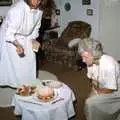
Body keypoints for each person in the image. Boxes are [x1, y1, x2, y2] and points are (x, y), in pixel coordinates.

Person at [68, 38, 120, 120]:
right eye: (82, 56)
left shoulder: (109, 65)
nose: (83, 60)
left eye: (86, 57)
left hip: (116, 90)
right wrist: (93, 90)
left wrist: (97, 92)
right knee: (89, 100)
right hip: (102, 86)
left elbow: (110, 89)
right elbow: (94, 79)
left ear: (95, 55)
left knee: (90, 103)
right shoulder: (90, 62)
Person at [0, 0, 48, 88]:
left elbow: (35, 28)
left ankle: (29, 84)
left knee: (30, 60)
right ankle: (20, 87)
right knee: (16, 66)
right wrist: (18, 45)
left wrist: (34, 40)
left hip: (26, 36)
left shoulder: (40, 10)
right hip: (11, 37)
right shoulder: (17, 9)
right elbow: (9, 34)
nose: (37, 1)